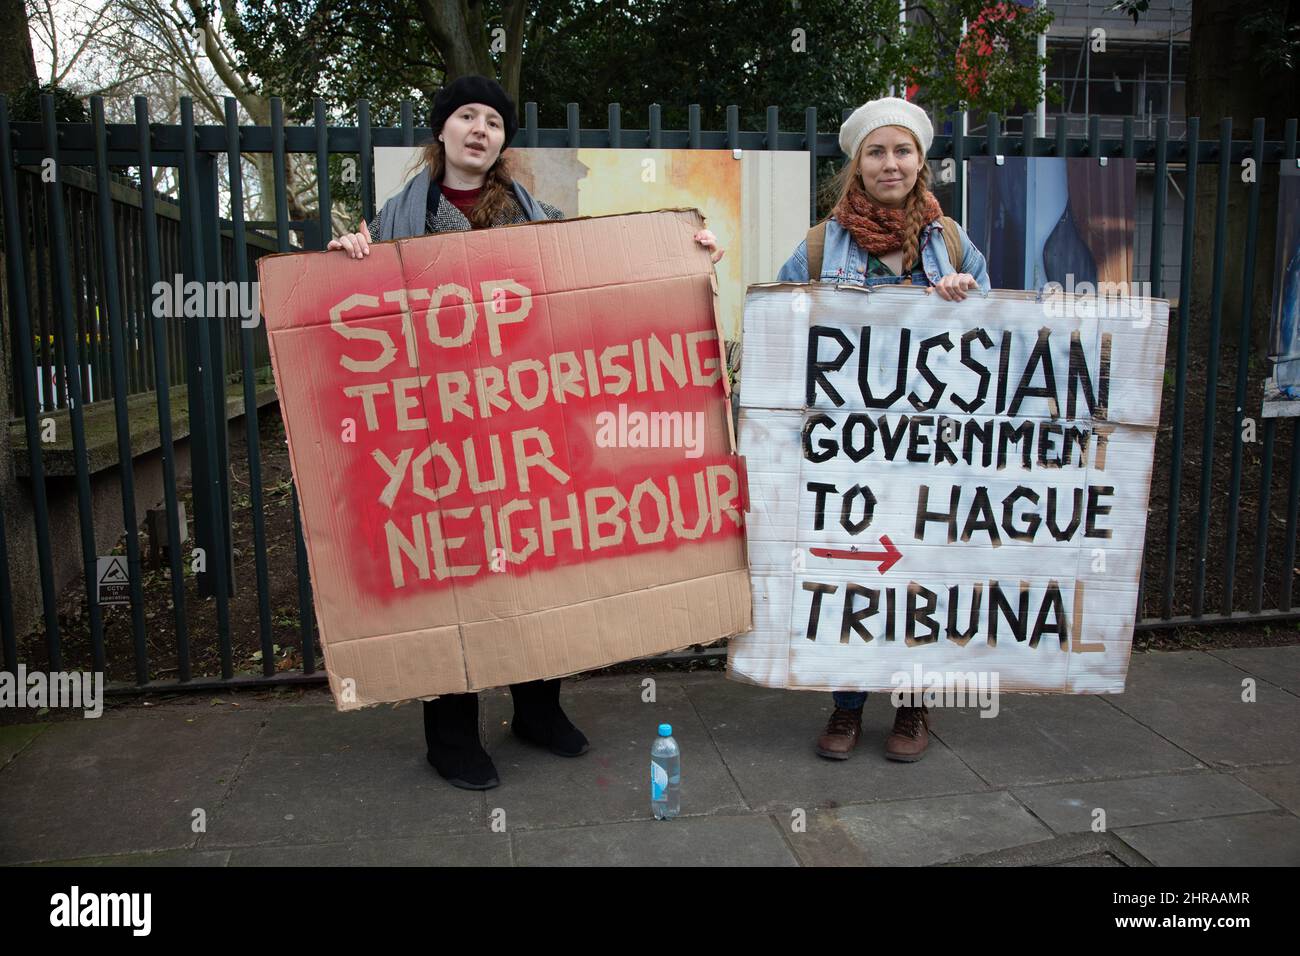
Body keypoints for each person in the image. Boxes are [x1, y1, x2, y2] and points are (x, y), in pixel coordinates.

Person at [328, 75, 723, 790]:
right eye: (466, 117)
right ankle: (449, 736)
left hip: (526, 427)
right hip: (439, 436)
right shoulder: (392, 221)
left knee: (538, 564)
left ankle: (538, 711)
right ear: (441, 131)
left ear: (504, 141)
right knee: (452, 578)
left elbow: (598, 285)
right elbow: (353, 311)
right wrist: (347, 255)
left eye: (493, 122)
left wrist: (682, 252)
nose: (480, 129)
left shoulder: (541, 216)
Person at [775, 96, 990, 763]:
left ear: (921, 161)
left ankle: (911, 705)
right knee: (853, 573)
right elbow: (777, 328)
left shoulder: (952, 243)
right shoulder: (818, 246)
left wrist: (967, 300)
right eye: (876, 151)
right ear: (857, 165)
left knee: (919, 573)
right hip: (849, 454)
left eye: (902, 150)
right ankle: (845, 707)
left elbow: (998, 347)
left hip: (930, 451)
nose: (889, 163)